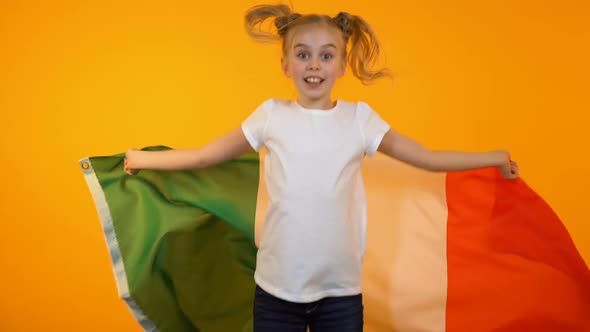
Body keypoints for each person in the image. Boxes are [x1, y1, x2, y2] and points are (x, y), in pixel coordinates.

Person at [123, 4, 519, 332]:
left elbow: (427, 158)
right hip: (276, 292)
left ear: (341, 65)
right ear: (285, 64)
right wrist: (144, 159)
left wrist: (494, 156)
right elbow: (207, 156)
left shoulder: (360, 120)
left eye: (326, 55)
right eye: (303, 54)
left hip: (340, 294)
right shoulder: (270, 116)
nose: (314, 64)